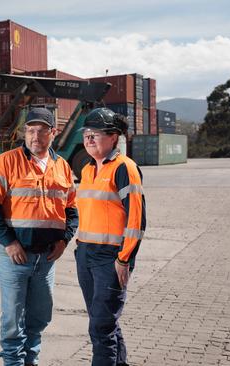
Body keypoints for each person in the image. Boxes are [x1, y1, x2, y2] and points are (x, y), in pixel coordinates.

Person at [0, 107, 78, 366]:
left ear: (53, 133)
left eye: (42, 131)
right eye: (30, 130)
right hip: (16, 256)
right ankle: (13, 362)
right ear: (25, 133)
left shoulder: (63, 167)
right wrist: (8, 242)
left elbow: (71, 209)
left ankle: (31, 361)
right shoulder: (7, 161)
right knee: (13, 319)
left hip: (46, 258)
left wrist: (64, 239)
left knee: (40, 316)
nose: (35, 136)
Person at [75, 108, 146, 366]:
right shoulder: (86, 168)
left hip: (110, 257)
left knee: (100, 328)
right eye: (86, 135)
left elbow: (136, 220)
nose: (89, 139)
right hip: (85, 254)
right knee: (103, 320)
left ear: (113, 137)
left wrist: (124, 259)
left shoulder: (124, 168)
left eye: (95, 135)